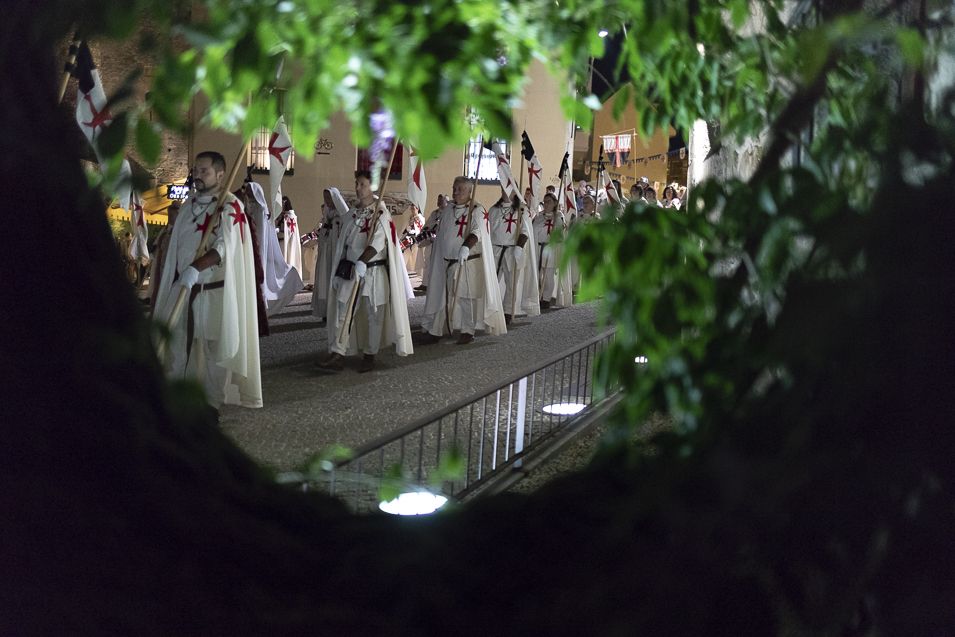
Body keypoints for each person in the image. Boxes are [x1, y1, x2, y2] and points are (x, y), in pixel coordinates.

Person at [152, 151, 262, 409]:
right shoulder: (189, 204)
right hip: (184, 289)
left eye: (204, 171)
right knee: (178, 347)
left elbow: (225, 247)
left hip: (214, 293)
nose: (198, 175)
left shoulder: (230, 205)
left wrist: (195, 267)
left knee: (212, 352)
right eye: (196, 170)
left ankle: (211, 407)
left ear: (220, 174)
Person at [317, 170, 413, 373]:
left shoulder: (381, 214)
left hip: (373, 271)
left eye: (363, 184)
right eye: (357, 184)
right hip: (350, 271)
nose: (358, 188)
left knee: (373, 314)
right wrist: (339, 269)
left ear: (373, 187)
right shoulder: (351, 214)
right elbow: (344, 242)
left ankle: (370, 355)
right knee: (343, 313)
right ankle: (338, 352)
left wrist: (362, 261)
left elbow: (378, 242)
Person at [419, 176, 506, 345]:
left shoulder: (477, 210)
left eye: (460, 189)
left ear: (469, 191)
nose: (455, 192)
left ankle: (468, 330)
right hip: (446, 261)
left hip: (467, 262)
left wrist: (466, 246)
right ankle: (435, 330)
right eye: (454, 188)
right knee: (441, 296)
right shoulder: (448, 209)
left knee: (466, 298)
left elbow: (477, 232)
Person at [487, 188, 540, 324]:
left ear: (515, 191)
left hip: (512, 250)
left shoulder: (522, 210)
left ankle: (508, 311)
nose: (505, 190)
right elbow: (489, 231)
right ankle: (490, 309)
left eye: (509, 188)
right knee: (491, 281)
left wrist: (519, 247)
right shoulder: (494, 210)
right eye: (503, 187)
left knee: (511, 283)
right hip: (496, 249)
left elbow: (525, 230)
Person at [311, 187, 349, 323]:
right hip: (326, 253)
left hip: (336, 254)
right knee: (324, 281)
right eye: (325, 197)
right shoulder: (326, 213)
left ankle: (337, 311)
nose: (326, 200)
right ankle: (325, 310)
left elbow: (346, 233)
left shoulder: (343, 215)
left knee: (334, 281)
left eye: (328, 197)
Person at [532, 192, 573, 309]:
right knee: (539, 274)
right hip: (539, 247)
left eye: (549, 202)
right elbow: (534, 230)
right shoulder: (539, 216)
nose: (546, 204)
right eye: (544, 202)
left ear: (555, 203)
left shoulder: (559, 216)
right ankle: (538, 296)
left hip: (551, 248)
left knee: (548, 275)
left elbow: (561, 233)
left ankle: (546, 298)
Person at [413, 193, 446, 293]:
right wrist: (425, 233)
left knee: (439, 264)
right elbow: (428, 225)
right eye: (438, 200)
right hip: (430, 242)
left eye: (441, 200)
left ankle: (437, 285)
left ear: (446, 201)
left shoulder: (448, 213)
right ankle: (425, 284)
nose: (438, 202)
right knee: (427, 262)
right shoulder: (434, 213)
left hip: (441, 243)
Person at [149, 202, 180, 308]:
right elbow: (158, 250)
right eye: (171, 209)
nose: (171, 212)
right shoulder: (164, 232)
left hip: (175, 274)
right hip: (162, 270)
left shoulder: (181, 231)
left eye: (175, 209)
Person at [277, 196, 303, 276]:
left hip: (286, 242)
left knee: (288, 259)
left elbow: (288, 230)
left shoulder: (290, 216)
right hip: (280, 241)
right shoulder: (282, 215)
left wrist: (277, 230)